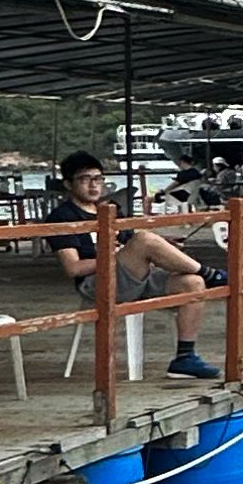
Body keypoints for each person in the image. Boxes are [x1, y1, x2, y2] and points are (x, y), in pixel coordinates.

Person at [49, 149, 213, 376]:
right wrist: (119, 256)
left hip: (134, 276)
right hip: (97, 283)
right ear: (68, 184)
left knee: (192, 283)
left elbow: (131, 244)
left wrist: (163, 245)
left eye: (98, 179)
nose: (94, 185)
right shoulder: (62, 217)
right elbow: (73, 268)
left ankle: (185, 358)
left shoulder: (110, 210)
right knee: (144, 239)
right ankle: (211, 274)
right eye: (85, 179)